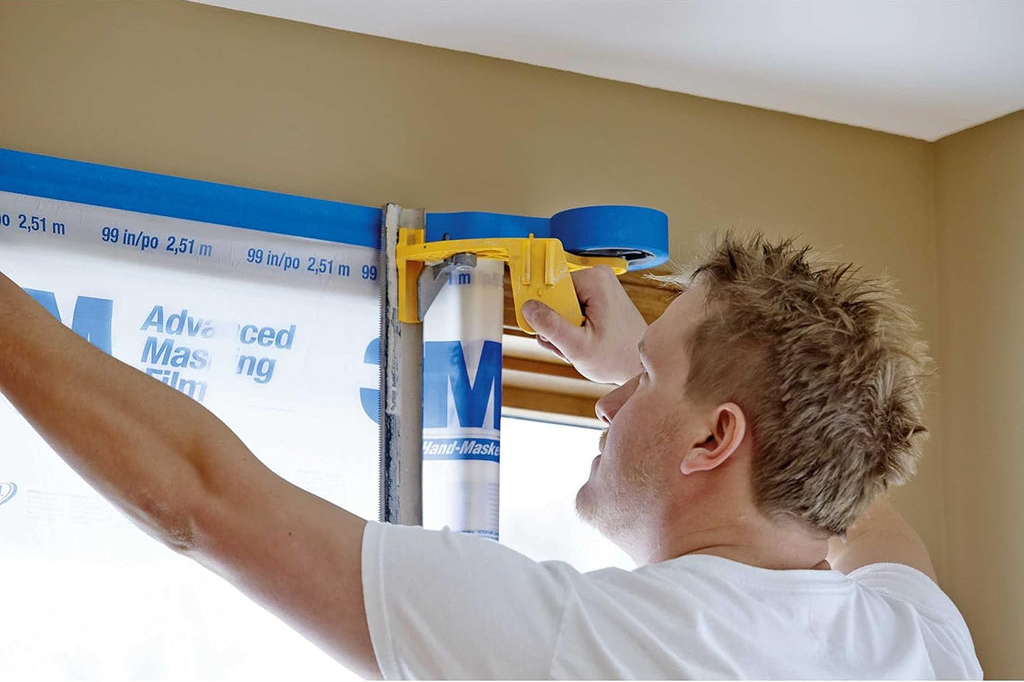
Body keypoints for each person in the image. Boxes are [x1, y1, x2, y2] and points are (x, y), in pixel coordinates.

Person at [0, 232, 981, 679]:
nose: (612, 405)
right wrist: (642, 382)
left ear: (715, 438)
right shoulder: (914, 641)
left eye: (642, 373)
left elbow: (204, 498)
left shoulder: (591, 648)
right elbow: (845, 506)